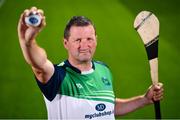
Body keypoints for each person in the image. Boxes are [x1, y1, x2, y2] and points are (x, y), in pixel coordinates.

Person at [18, 7, 164, 119]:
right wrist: (28, 42)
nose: (84, 45)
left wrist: (144, 100)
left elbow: (106, 106)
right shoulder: (57, 76)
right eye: (78, 40)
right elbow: (40, 64)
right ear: (65, 43)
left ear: (96, 40)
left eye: (89, 39)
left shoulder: (103, 70)